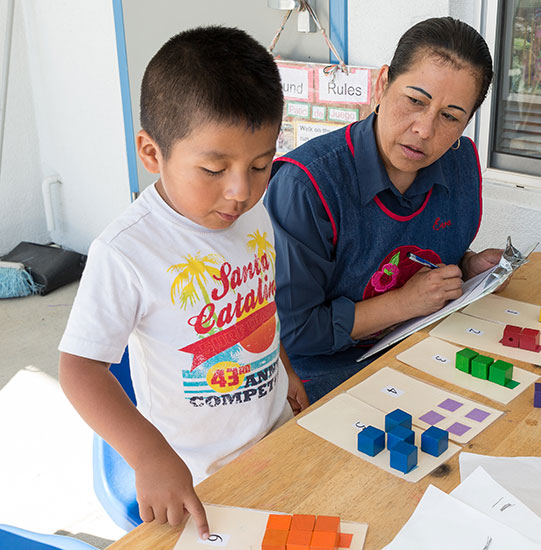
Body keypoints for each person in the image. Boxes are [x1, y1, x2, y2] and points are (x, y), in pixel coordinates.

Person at [58, 26, 308, 540]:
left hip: (279, 435)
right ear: (152, 154)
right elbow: (80, 368)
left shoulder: (253, 214)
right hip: (198, 477)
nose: (240, 191)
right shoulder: (127, 250)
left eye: (261, 164)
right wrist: (149, 456)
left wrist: (285, 370)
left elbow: (259, 307)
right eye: (214, 168)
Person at [265, 17, 503, 403]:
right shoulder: (306, 186)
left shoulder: (460, 164)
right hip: (323, 378)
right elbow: (297, 332)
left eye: (450, 116)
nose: (424, 129)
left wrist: (468, 270)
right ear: (381, 84)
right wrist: (404, 303)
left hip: (420, 350)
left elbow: (429, 257)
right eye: (415, 100)